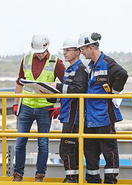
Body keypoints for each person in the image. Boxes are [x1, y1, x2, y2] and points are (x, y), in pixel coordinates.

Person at [12, 33, 65, 182]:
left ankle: (40, 175)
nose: (39, 55)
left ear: (47, 47)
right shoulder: (26, 59)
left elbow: (67, 86)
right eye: (37, 52)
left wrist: (60, 106)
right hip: (27, 106)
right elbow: (19, 82)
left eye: (41, 52)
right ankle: (18, 174)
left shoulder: (56, 62)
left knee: (43, 143)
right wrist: (16, 103)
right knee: (20, 141)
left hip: (45, 108)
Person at [78, 32, 128, 184]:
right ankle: (93, 180)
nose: (81, 52)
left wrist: (114, 92)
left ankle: (110, 181)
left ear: (91, 47)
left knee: (109, 151)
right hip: (90, 118)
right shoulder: (91, 66)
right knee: (90, 152)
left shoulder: (106, 63)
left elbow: (122, 74)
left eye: (82, 49)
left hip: (104, 116)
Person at [46, 36, 88, 183]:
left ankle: (71, 178)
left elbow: (78, 90)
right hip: (68, 114)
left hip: (74, 116)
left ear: (77, 52)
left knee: (68, 148)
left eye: (68, 50)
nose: (65, 53)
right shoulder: (70, 70)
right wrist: (51, 96)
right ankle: (73, 176)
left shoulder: (80, 69)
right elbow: (67, 92)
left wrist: (56, 87)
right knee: (70, 148)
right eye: (64, 50)